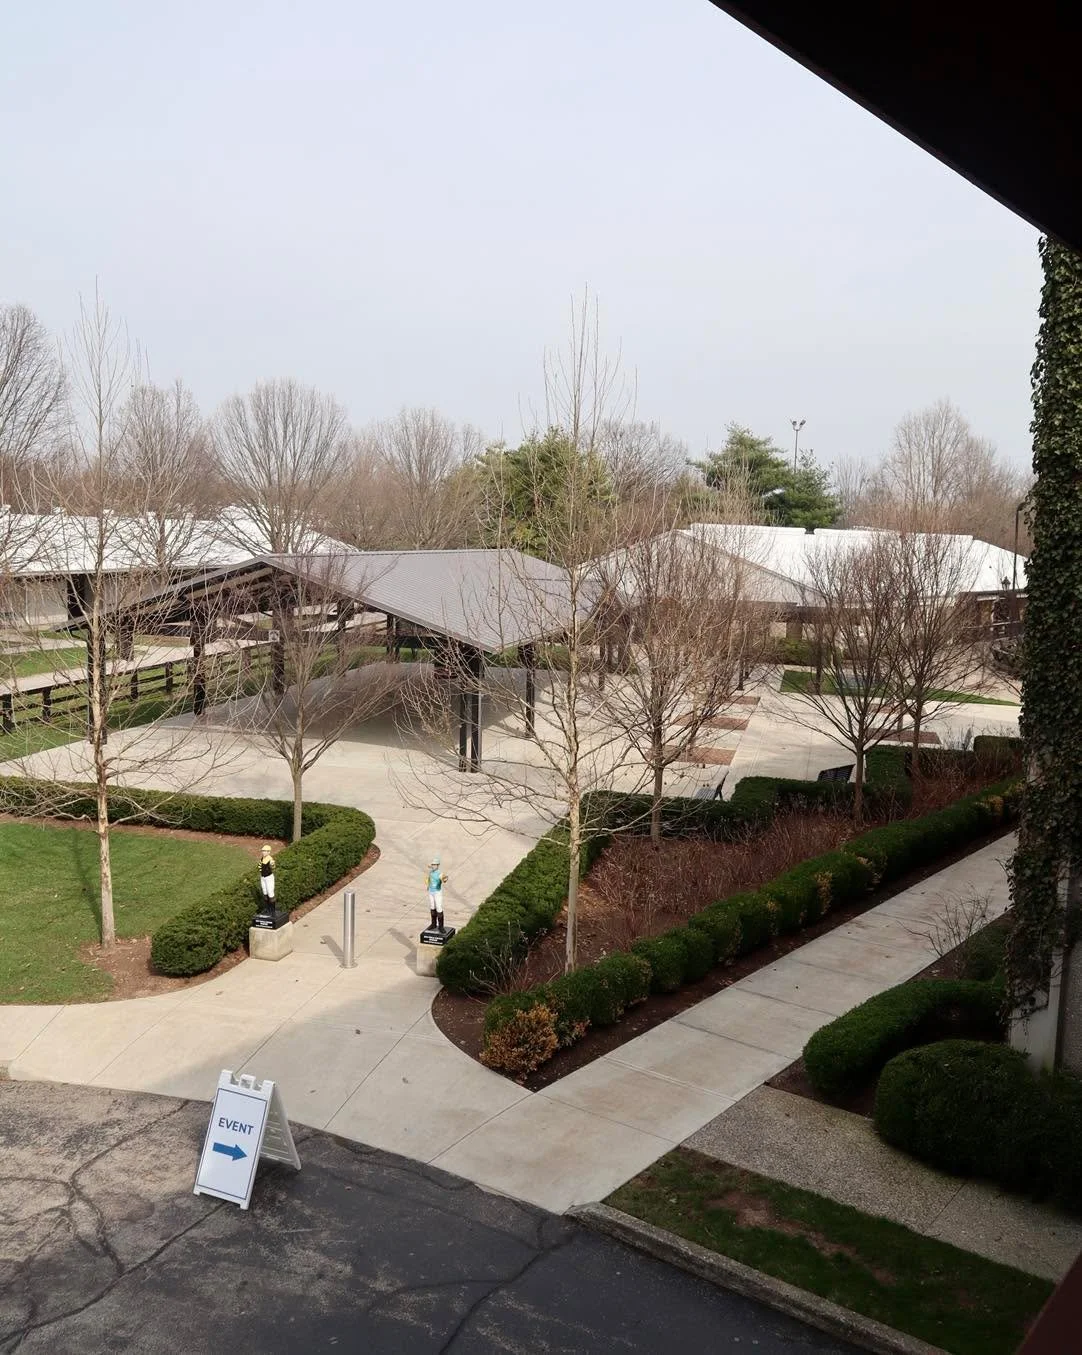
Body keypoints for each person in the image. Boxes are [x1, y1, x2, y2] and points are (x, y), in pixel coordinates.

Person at [426, 856, 448, 930]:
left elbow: (444, 878)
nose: (433, 866)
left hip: (437, 892)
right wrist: (428, 886)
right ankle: (433, 924)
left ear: (438, 865)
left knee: (439, 907)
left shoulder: (440, 873)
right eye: (433, 864)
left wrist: (444, 879)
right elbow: (429, 879)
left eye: (435, 865)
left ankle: (441, 927)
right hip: (431, 892)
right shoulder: (431, 872)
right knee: (432, 907)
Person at [259, 845, 276, 909]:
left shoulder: (270, 860)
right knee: (265, 892)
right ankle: (267, 908)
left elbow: (273, 867)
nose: (263, 852)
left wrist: (272, 865)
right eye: (262, 851)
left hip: (269, 878)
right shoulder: (262, 858)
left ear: (268, 852)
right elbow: (260, 866)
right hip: (263, 877)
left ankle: (272, 910)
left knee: (270, 892)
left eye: (265, 851)